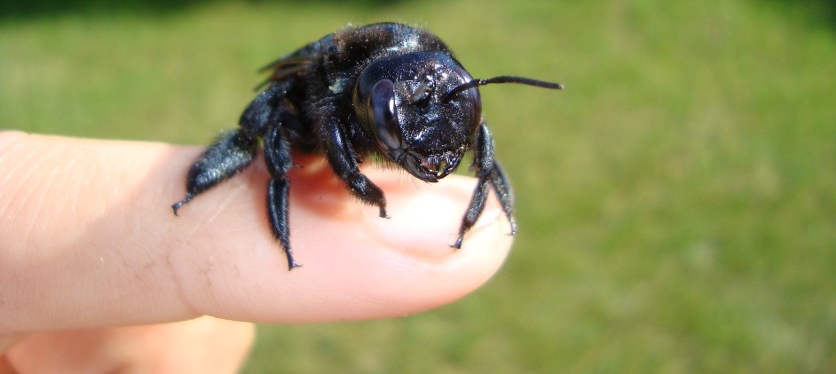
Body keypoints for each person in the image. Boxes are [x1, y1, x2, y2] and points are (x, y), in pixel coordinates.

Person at [0, 131, 513, 373]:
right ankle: (262, 222)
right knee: (268, 154)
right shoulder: (339, 88)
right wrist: (362, 188)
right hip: (293, 120)